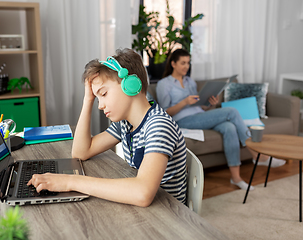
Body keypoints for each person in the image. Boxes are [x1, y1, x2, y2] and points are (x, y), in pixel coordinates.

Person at [28, 48, 187, 207]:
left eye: (103, 94)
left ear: (130, 86)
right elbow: (81, 152)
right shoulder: (125, 124)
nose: (100, 105)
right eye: (97, 99)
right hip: (145, 211)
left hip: (167, 218)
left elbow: (143, 193)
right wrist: (88, 100)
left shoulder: (158, 125)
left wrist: (71, 182)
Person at [156, 48, 285, 191]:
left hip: (199, 116)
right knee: (232, 111)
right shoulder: (164, 84)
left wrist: (210, 103)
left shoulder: (190, 82)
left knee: (229, 127)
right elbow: (164, 112)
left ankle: (236, 178)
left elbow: (200, 107)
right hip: (182, 120)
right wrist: (184, 102)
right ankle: (257, 155)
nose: (186, 66)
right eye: (183, 63)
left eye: (188, 63)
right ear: (173, 64)